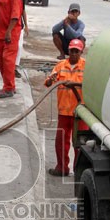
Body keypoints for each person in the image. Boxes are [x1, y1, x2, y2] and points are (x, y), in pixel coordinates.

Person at [44, 39, 85, 176]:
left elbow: (92, 86)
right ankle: (62, 168)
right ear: (68, 51)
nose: (73, 54)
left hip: (81, 112)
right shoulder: (60, 65)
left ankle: (79, 171)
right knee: (61, 142)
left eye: (76, 51)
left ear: (81, 52)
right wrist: (51, 79)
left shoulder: (87, 66)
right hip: (64, 111)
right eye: (71, 50)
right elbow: (48, 82)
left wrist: (73, 84)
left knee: (80, 144)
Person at [11, 0, 29, 77]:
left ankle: (15, 67)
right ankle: (9, 67)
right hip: (9, 26)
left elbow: (23, 11)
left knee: (19, 46)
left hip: (19, 26)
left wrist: (26, 25)